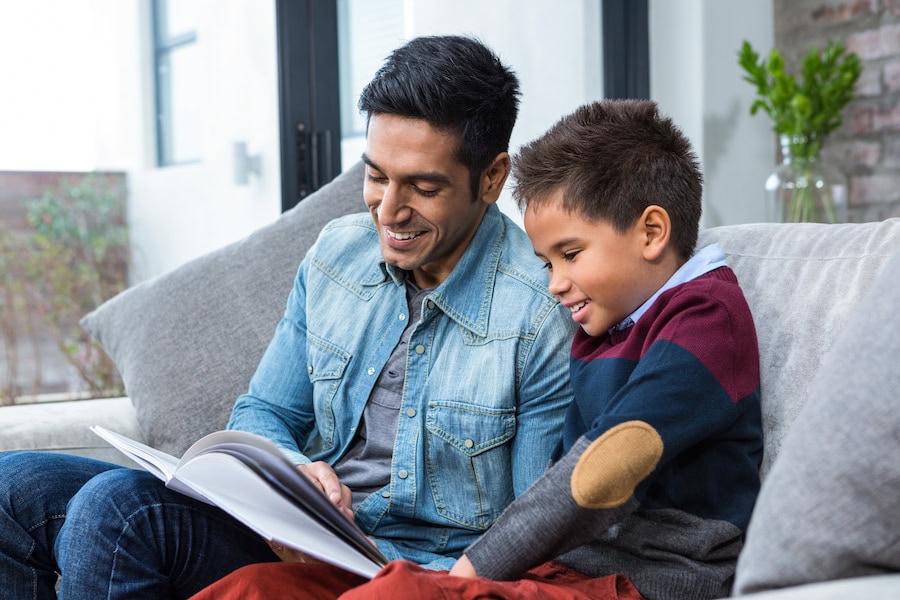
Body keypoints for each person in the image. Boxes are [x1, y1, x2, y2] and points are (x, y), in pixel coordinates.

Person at [0, 35, 577, 599]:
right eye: (376, 176)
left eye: (423, 187)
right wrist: (297, 470)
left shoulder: (538, 311)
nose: (389, 210)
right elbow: (264, 411)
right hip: (293, 535)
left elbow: (532, 526)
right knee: (12, 486)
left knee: (118, 512)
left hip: (400, 571)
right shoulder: (336, 254)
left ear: (492, 178)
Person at [333, 99, 765, 599]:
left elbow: (606, 469)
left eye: (571, 254)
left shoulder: (708, 318)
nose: (556, 285)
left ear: (651, 232)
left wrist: (464, 576)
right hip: (565, 572)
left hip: (650, 582)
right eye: (547, 263)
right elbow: (548, 481)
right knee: (258, 585)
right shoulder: (602, 326)